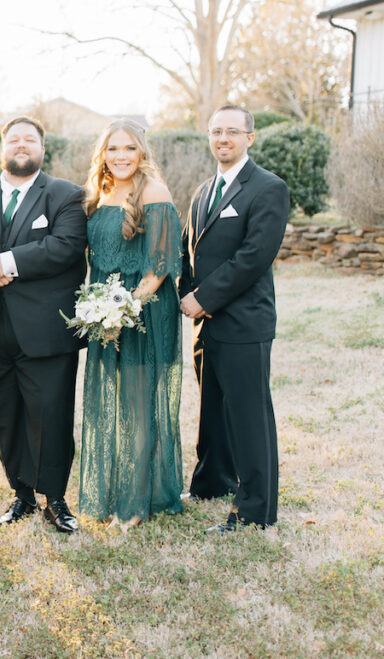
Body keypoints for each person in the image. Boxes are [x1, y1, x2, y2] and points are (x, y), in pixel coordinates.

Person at [0, 116, 87, 534]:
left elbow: (65, 247)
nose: (22, 145)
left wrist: (5, 262)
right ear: (3, 146)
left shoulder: (66, 195)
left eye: (30, 140)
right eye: (14, 139)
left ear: (42, 148)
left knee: (50, 416)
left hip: (45, 331)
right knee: (2, 415)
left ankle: (54, 498)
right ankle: (20, 495)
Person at [180, 105, 289, 533]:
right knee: (213, 410)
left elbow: (253, 257)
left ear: (250, 137)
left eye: (232, 131)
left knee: (249, 417)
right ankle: (211, 483)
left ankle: (255, 510)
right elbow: (191, 249)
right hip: (205, 324)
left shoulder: (267, 188)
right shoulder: (204, 189)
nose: (222, 138)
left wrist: (204, 298)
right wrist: (185, 293)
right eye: (215, 131)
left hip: (244, 322)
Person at [78, 119, 184, 531]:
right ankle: (110, 492)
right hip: (104, 313)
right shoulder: (99, 193)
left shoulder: (155, 193)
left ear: (142, 152)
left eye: (129, 148)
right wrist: (100, 312)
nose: (121, 156)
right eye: (112, 149)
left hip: (143, 312)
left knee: (138, 406)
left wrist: (124, 311)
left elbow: (159, 266)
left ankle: (137, 501)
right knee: (112, 402)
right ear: (102, 154)